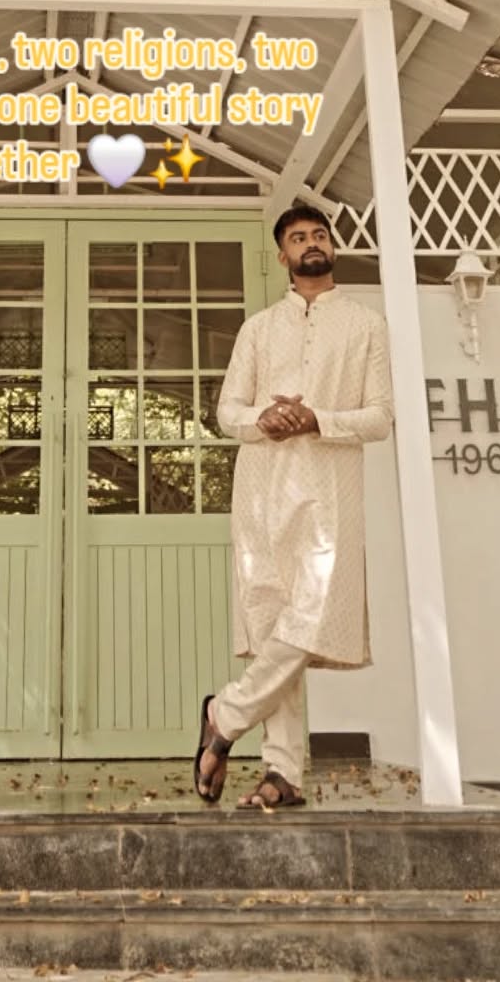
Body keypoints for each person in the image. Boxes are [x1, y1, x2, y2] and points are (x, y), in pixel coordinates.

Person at [195, 205, 394, 810]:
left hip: (330, 491)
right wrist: (266, 417)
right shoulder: (259, 329)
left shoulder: (366, 325)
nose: (311, 244)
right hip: (262, 488)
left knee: (308, 620)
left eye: (319, 235)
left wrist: (316, 418)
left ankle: (224, 715)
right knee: (272, 629)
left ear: (332, 248)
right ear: (282, 256)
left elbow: (381, 416)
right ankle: (282, 776)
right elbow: (228, 412)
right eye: (298, 238)